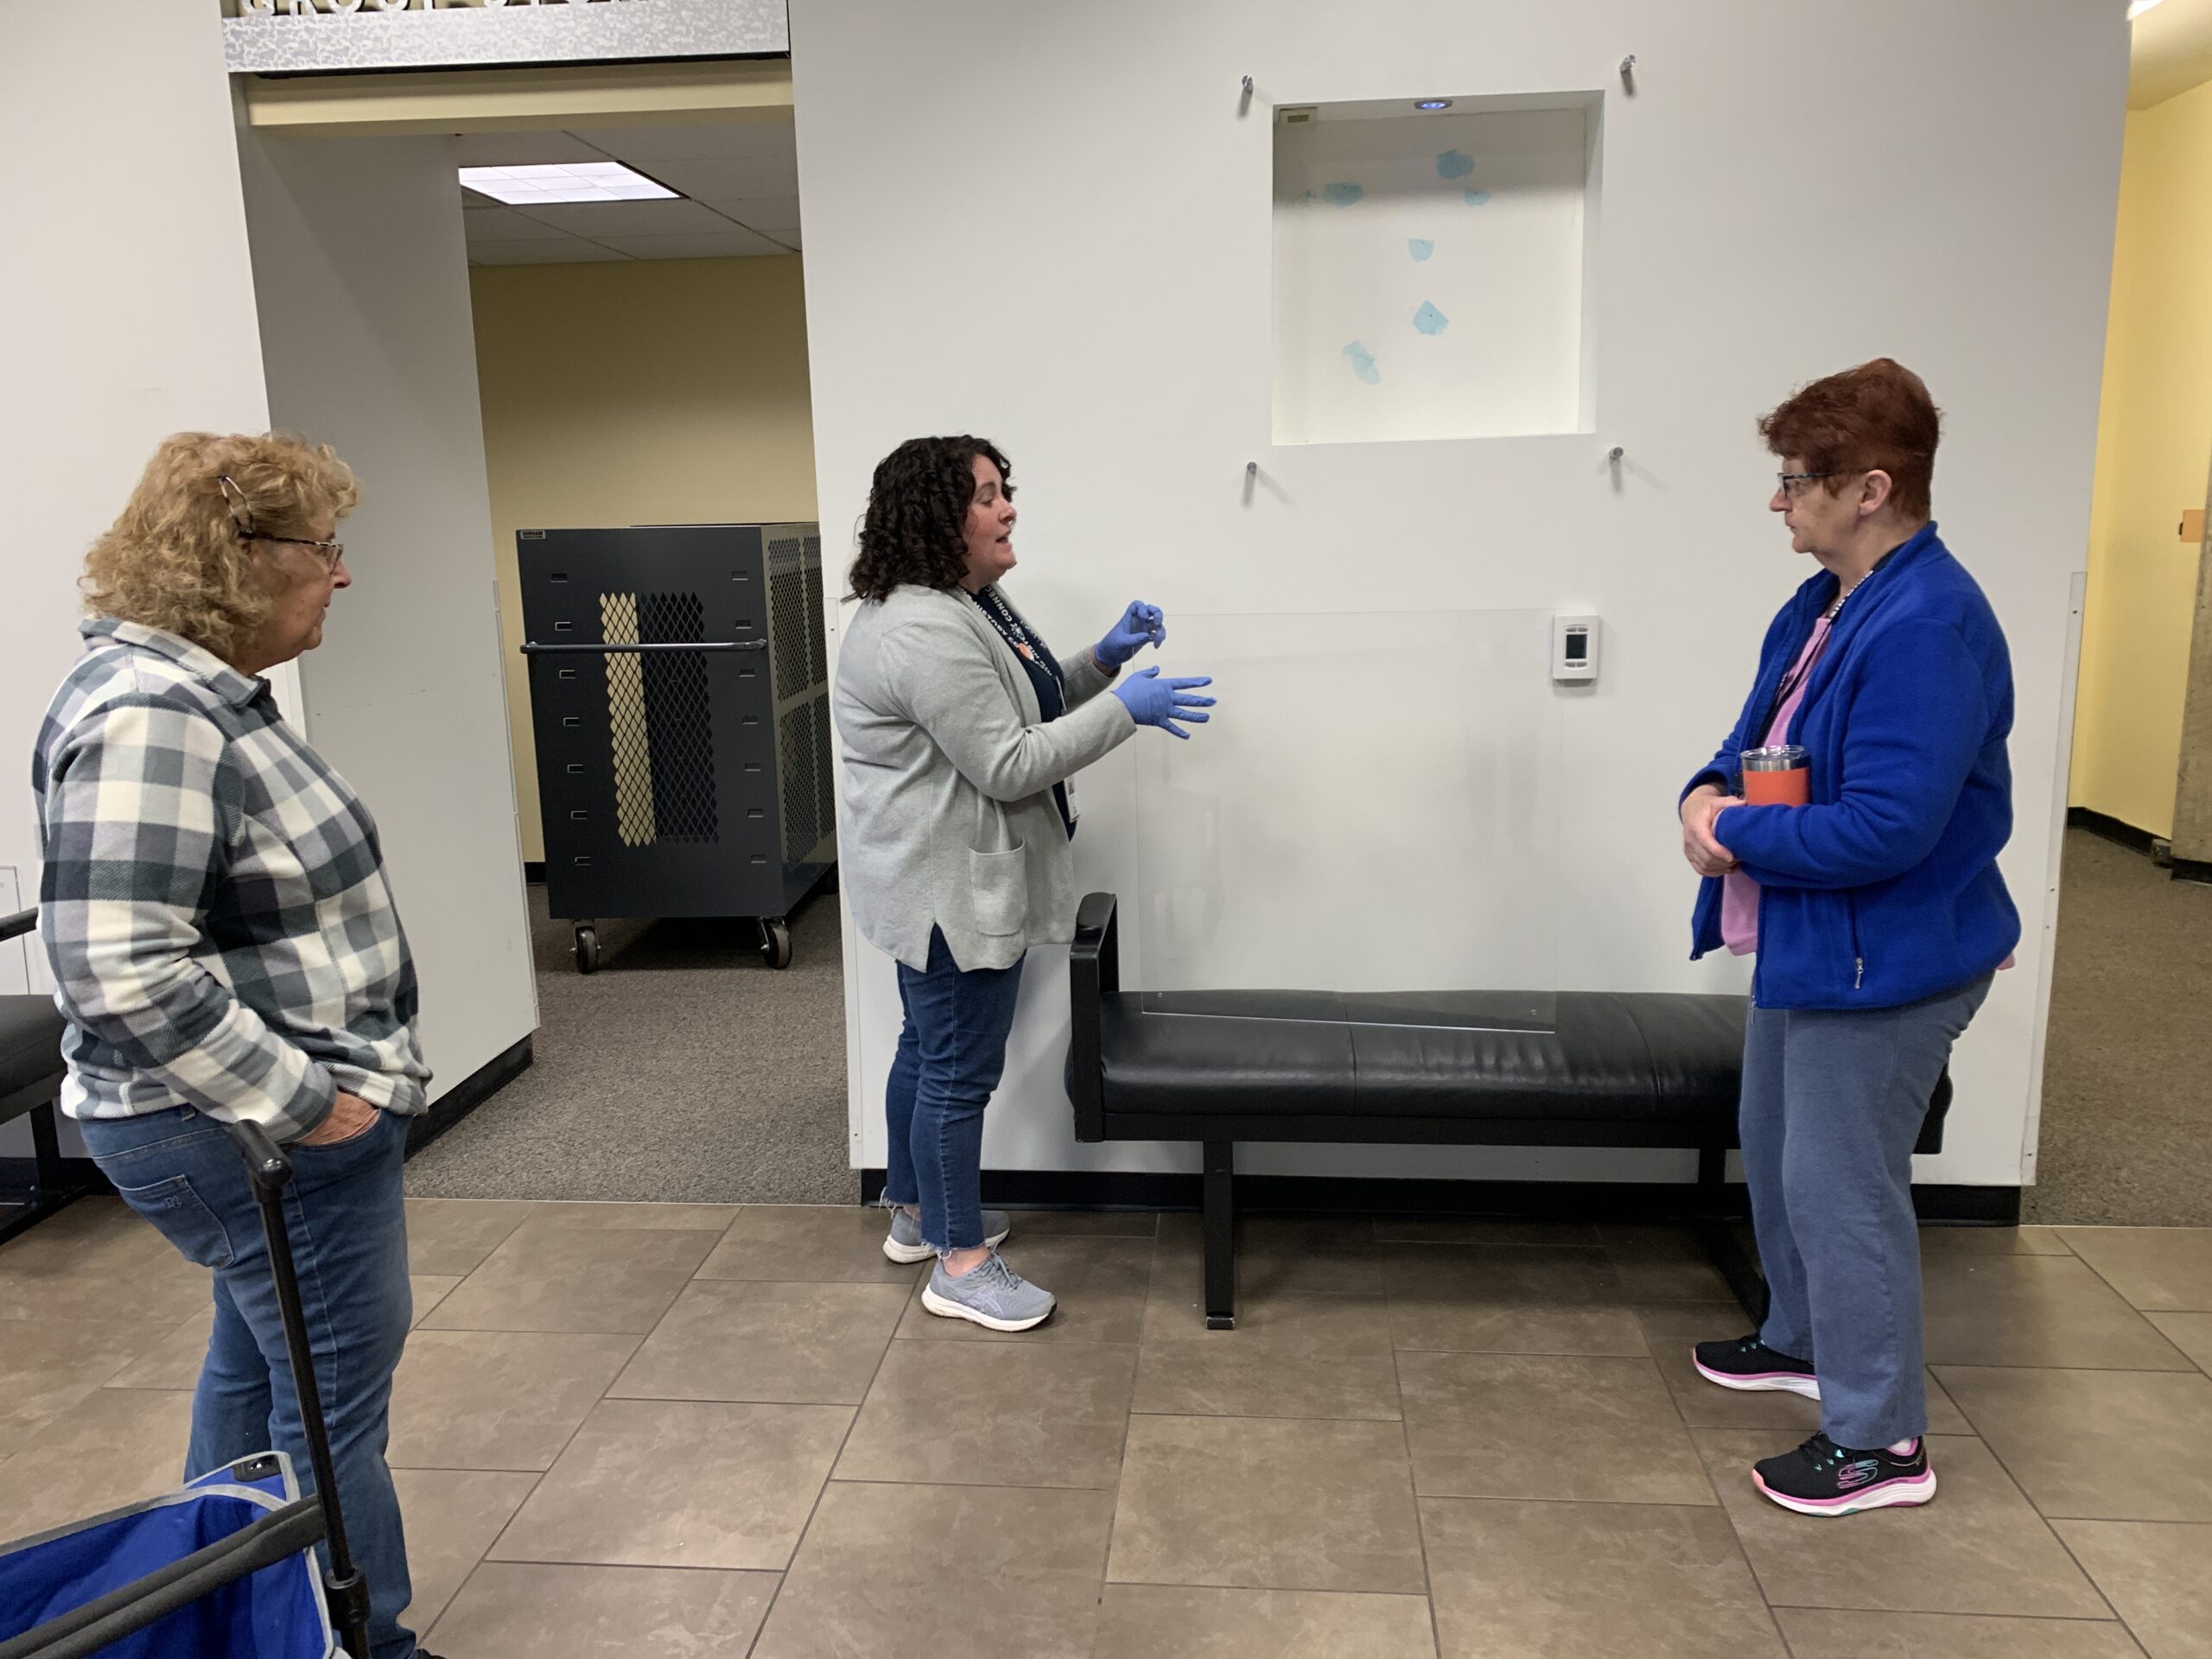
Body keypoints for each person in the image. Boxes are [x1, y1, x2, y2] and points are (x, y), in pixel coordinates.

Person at [33, 433, 440, 1658]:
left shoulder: (194, 695)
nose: (342, 576)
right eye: (327, 549)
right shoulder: (155, 715)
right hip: (245, 1131)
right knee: (329, 1420)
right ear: (240, 558)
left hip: (246, 1125)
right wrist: (310, 1103)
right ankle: (372, 1644)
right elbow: (118, 963)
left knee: (265, 1384)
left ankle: (210, 1616)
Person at [1677, 359, 2018, 1517]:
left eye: (1796, 482)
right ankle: (1803, 1338)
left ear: (1871, 487)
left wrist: (1734, 835)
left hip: (1889, 958)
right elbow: (1752, 741)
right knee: (1778, 1145)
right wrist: (1704, 796)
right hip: (1814, 939)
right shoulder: (1823, 601)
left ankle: (1880, 1442)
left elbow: (1886, 828)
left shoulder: (1926, 622)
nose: (1781, 502)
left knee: (1844, 1186)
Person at [835, 435, 1214, 1332]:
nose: (1008, 509)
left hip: (923, 881)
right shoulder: (923, 629)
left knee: (926, 1052)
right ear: (938, 516)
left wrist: (1104, 661)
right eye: (988, 495)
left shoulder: (964, 604)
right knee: (958, 1073)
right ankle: (958, 1264)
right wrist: (1125, 715)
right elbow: (1008, 762)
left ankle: (918, 1211)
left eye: (1006, 491)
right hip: (946, 895)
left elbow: (1025, 700)